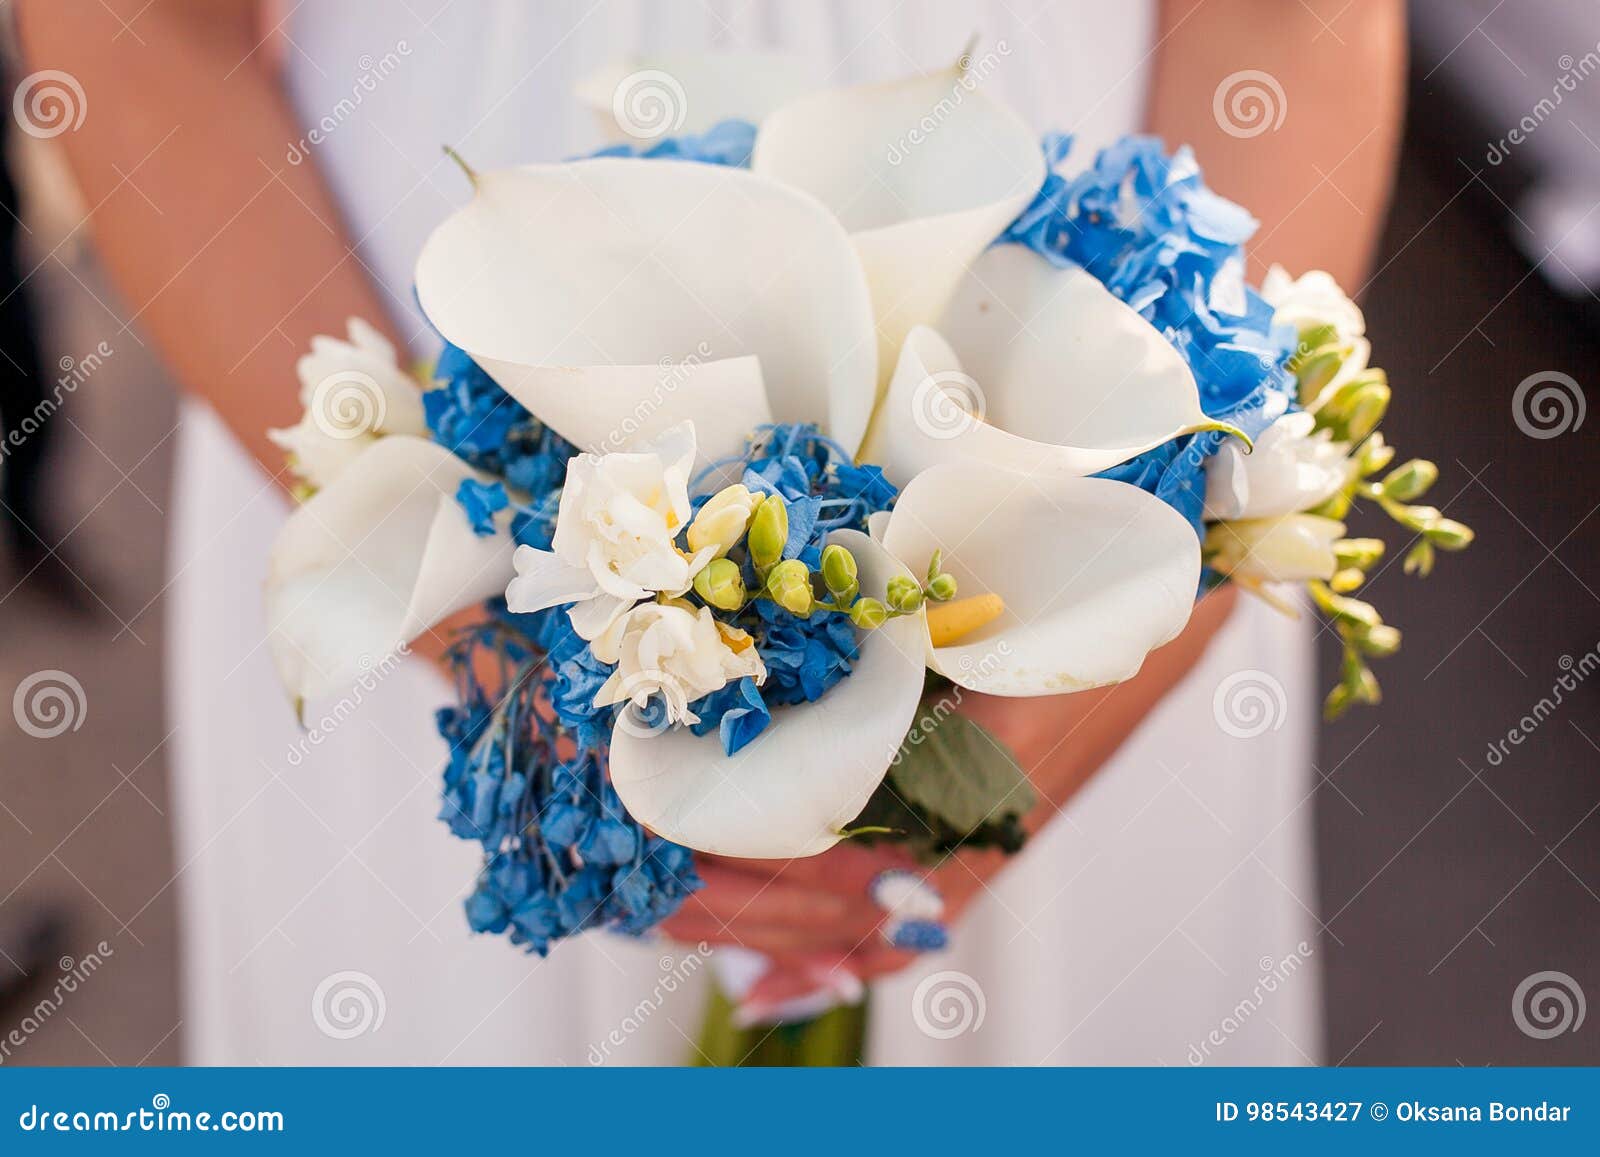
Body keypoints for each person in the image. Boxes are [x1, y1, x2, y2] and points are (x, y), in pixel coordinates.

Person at [22, 0, 1404, 1063]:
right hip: (415, 382)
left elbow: (1290, 21)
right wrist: (498, 630)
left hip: (1061, 386)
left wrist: (1151, 555)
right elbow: (137, 28)